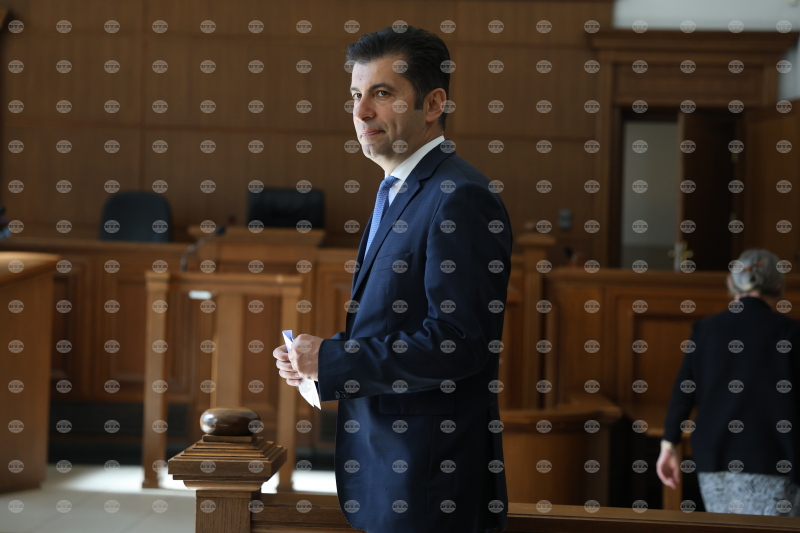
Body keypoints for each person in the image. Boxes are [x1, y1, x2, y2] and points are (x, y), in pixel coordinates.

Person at [273, 26, 511, 533]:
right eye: (356, 95)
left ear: (433, 104)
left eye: (381, 93)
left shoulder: (459, 197)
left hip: (428, 480)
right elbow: (399, 324)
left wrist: (335, 359)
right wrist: (319, 361)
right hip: (391, 469)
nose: (361, 112)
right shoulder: (399, 191)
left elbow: (459, 342)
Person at [658, 249, 800, 515]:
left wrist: (669, 444)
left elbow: (683, 392)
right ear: (779, 285)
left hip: (715, 458)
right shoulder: (792, 333)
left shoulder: (705, 330)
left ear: (731, 283)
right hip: (775, 459)